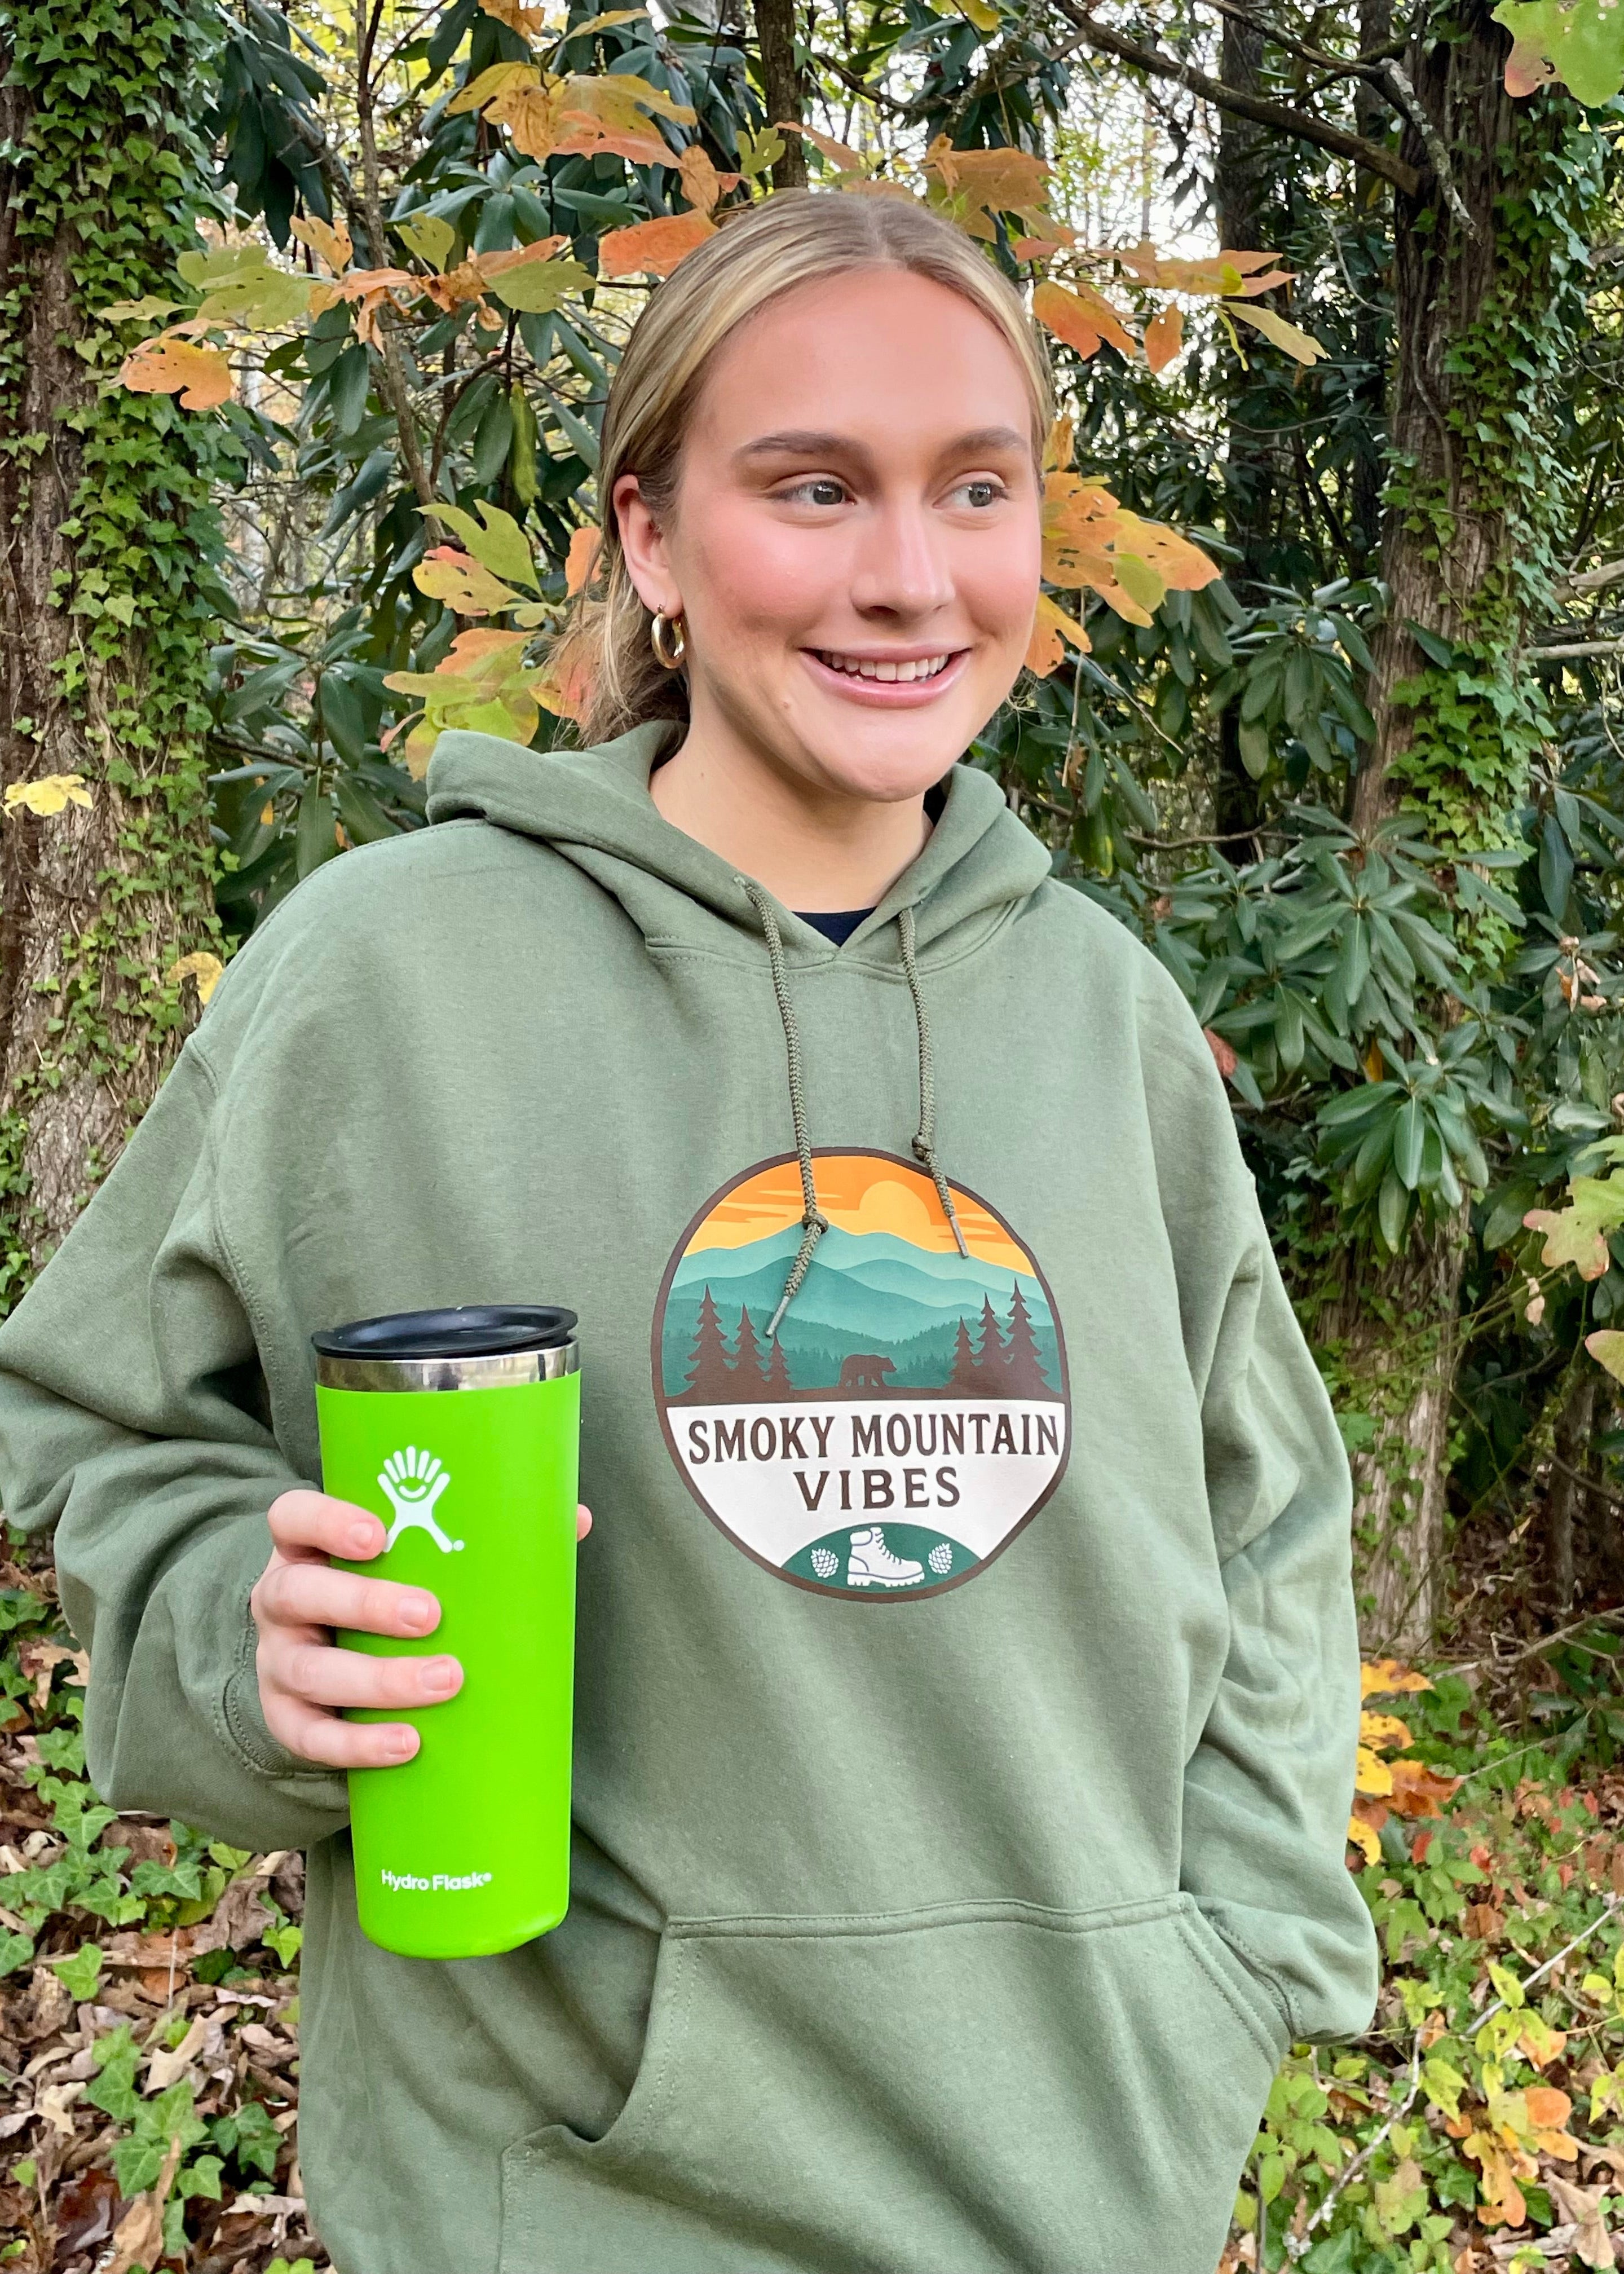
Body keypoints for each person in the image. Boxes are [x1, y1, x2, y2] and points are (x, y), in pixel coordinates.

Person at [0, 190, 1378, 2274]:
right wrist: (240, 1647)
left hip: (1087, 2166)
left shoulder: (1104, 1012)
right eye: (812, 486)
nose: (908, 576)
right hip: (563, 2189)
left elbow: (1270, 1520)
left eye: (975, 488)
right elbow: (99, 1428)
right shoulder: (388, 978)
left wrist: (1238, 1972)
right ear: (649, 537)